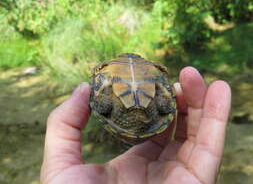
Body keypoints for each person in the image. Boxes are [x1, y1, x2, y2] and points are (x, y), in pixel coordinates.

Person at [40, 67, 231, 184]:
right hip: (150, 116)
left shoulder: (105, 76)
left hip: (121, 114)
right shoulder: (157, 86)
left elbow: (100, 101)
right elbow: (166, 101)